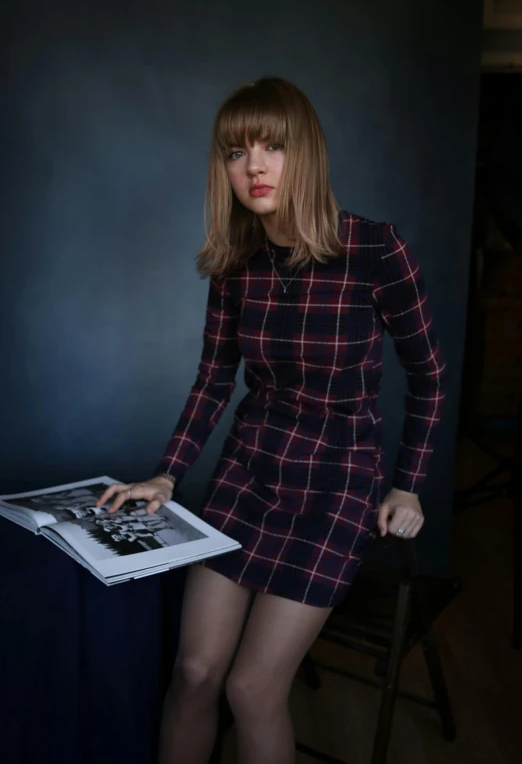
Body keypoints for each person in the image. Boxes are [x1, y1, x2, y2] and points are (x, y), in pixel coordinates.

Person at [95, 77, 446, 764]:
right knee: (195, 673)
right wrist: (168, 473)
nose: (254, 166)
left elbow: (430, 374)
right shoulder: (236, 265)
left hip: (336, 484)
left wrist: (407, 483)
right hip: (249, 471)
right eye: (235, 152)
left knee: (254, 689)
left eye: (272, 147)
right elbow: (213, 379)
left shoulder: (375, 250)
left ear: (305, 153)